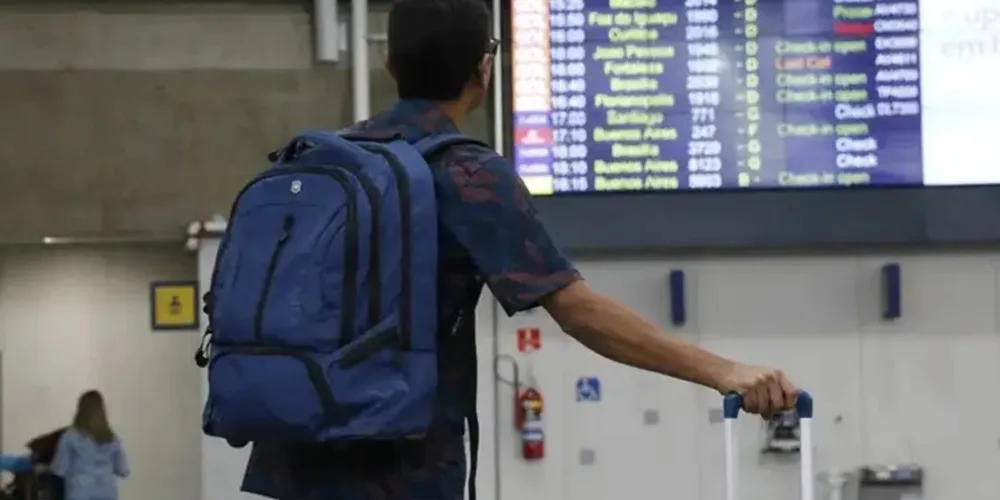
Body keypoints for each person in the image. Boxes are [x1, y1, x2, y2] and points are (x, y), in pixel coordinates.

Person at [240, 0, 801, 498]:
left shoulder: (322, 158)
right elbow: (578, 310)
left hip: (292, 453)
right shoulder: (464, 171)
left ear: (388, 62)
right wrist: (725, 371)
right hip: (398, 465)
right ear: (484, 70)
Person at [51, 390, 129, 500]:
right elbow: (123, 471)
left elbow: (59, 470)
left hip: (79, 494)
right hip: (107, 494)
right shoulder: (112, 439)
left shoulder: (70, 437)